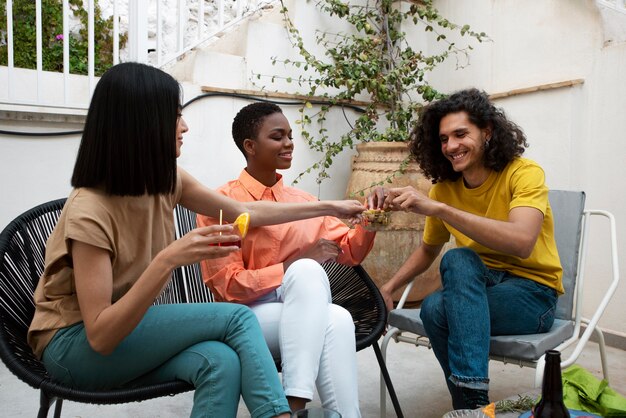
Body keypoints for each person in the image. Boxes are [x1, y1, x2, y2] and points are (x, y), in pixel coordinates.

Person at [27, 62, 368, 418]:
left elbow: (244, 211)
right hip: (74, 346)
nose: (185, 126)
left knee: (220, 361)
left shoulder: (165, 178)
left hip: (130, 329)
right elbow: (100, 335)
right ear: (141, 124)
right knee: (237, 319)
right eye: (176, 116)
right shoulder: (90, 210)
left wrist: (326, 207)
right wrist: (169, 259)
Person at [369, 88, 562, 410]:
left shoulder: (524, 173)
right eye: (444, 139)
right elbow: (429, 250)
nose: (451, 146)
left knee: (435, 309)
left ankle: (469, 404)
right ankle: (474, 405)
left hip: (532, 295)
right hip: (477, 288)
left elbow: (522, 242)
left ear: (487, 132)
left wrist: (441, 209)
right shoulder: (444, 188)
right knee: (457, 260)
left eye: (461, 134)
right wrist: (387, 288)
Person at [197, 102, 376, 417]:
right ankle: (293, 403)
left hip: (300, 316)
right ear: (250, 146)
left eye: (290, 136)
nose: (289, 143)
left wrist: (370, 222)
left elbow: (349, 251)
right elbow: (227, 287)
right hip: (244, 318)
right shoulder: (222, 203)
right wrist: (292, 266)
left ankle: (305, 409)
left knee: (338, 318)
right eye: (277, 136)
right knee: (307, 270)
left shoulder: (303, 201)